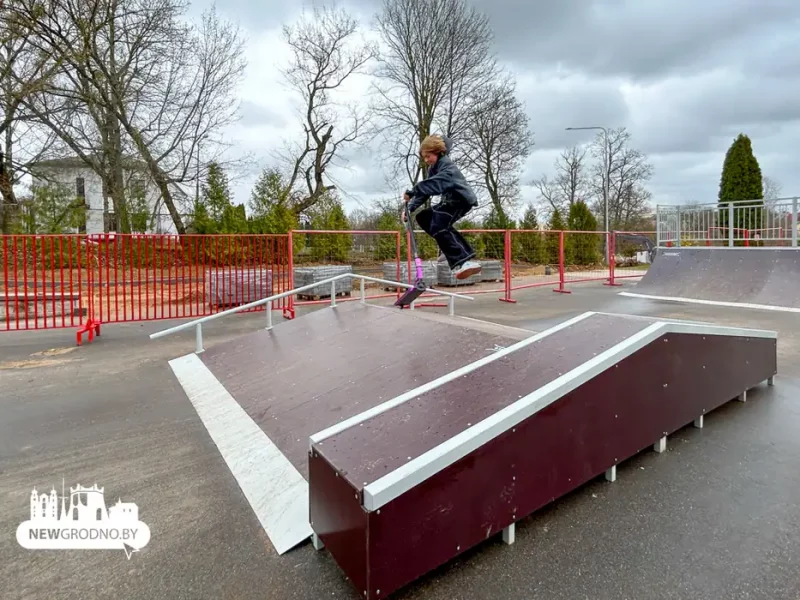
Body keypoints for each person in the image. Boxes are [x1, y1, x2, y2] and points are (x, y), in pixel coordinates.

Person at [403, 135, 482, 280]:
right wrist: (411, 208)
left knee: (438, 224)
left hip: (460, 201)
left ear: (438, 152)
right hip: (449, 202)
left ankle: (464, 261)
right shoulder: (433, 168)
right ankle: (448, 248)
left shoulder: (447, 166)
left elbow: (436, 184)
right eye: (424, 158)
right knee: (423, 217)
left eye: (428, 156)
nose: (426, 160)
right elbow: (426, 191)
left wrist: (413, 190)